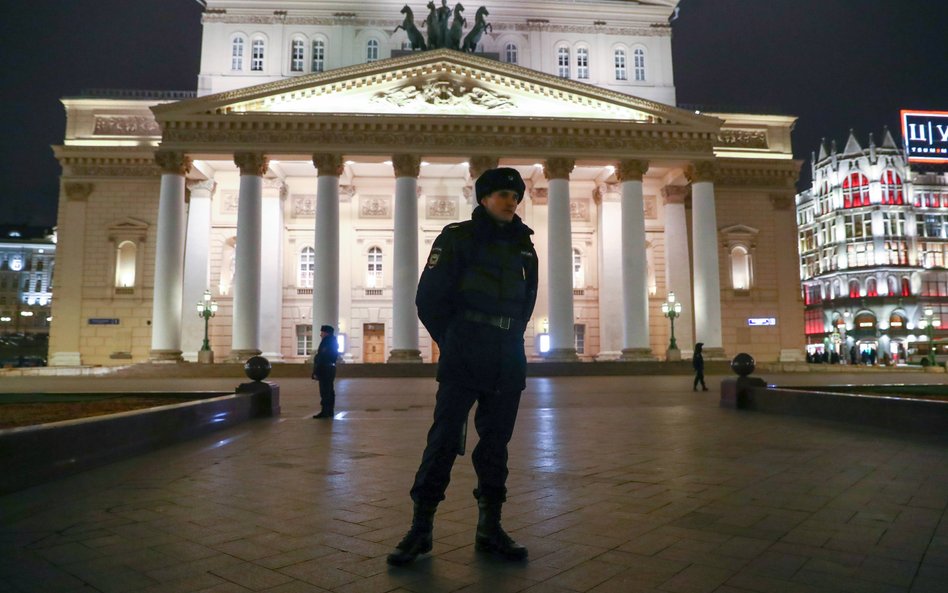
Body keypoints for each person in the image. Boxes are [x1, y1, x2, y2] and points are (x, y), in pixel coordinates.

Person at [387, 167, 538, 566]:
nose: (511, 200)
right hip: (466, 351)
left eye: (515, 194)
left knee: (495, 446)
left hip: (506, 355)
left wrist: (511, 339)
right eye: (503, 194)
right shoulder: (457, 238)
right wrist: (452, 343)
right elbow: (429, 299)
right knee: (443, 442)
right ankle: (421, 528)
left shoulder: (525, 246)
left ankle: (490, 528)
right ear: (484, 198)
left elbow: (528, 300)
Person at [311, 325, 339, 419]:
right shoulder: (334, 341)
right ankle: (330, 411)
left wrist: (316, 371)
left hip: (325, 369)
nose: (320, 334)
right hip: (331, 368)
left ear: (326, 333)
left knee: (325, 391)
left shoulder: (326, 342)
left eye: (322, 332)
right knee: (330, 390)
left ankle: (325, 411)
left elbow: (321, 357)